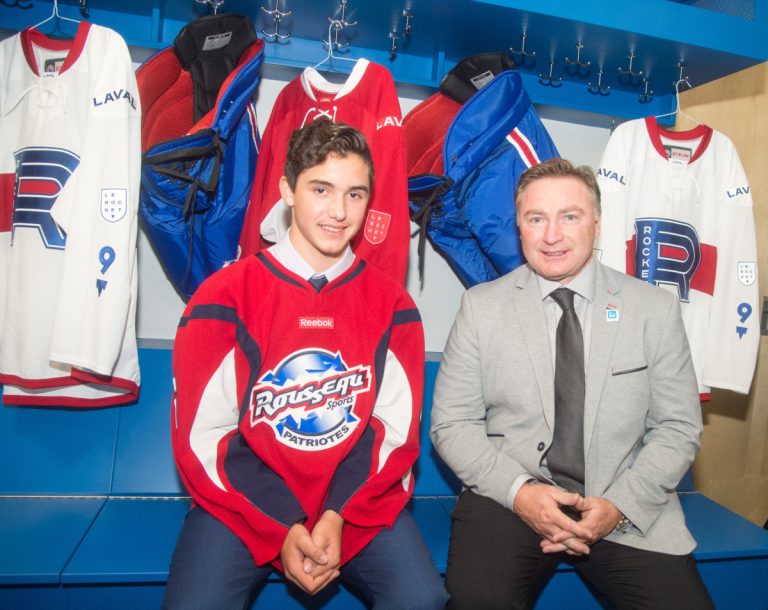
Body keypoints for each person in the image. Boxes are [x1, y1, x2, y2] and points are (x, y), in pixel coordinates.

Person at [164, 119, 448, 610]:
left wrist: (336, 514)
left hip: (354, 501)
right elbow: (203, 436)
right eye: (321, 189)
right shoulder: (223, 296)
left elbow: (393, 432)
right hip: (244, 501)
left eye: (356, 194)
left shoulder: (393, 305)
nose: (339, 212)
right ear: (287, 190)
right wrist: (285, 523)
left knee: (421, 599)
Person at [430, 157, 714, 609]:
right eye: (535, 218)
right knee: (478, 599)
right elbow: (452, 423)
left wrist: (617, 506)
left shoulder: (652, 310)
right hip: (511, 495)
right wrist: (522, 495)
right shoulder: (481, 308)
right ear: (519, 226)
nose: (552, 235)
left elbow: (678, 427)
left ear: (596, 224)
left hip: (623, 499)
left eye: (570, 216)